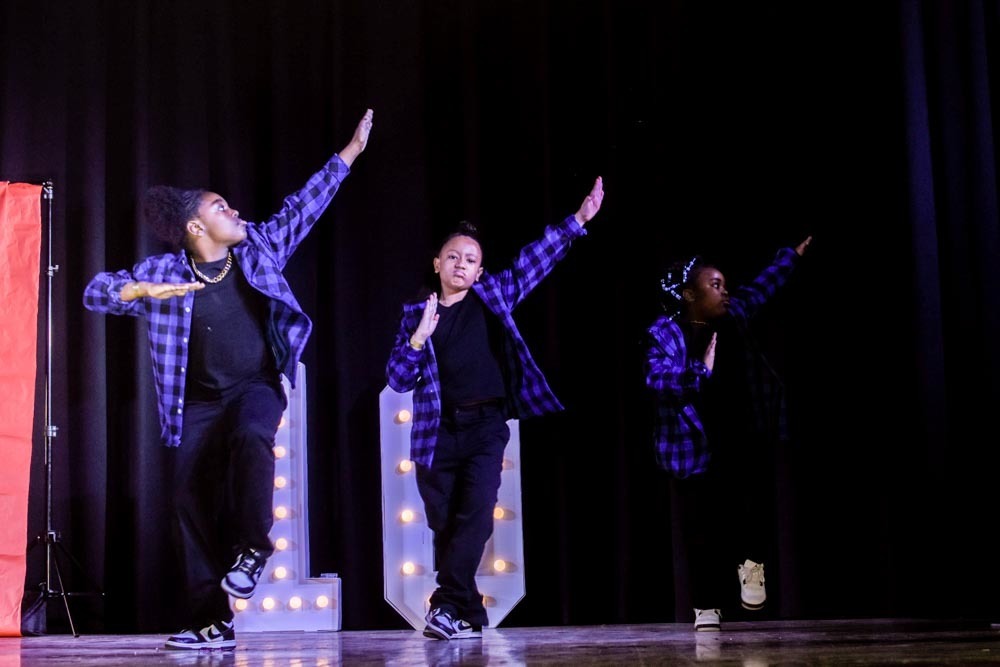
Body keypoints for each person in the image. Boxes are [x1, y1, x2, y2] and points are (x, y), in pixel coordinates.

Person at [83, 108, 374, 650]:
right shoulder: (164, 274)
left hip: (257, 385)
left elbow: (303, 208)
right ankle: (211, 620)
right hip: (199, 402)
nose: (233, 209)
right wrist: (141, 293)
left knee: (251, 436)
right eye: (221, 207)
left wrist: (351, 152)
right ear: (196, 228)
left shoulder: (256, 249)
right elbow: (94, 291)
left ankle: (254, 548)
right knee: (186, 499)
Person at [386, 176, 604, 640]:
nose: (461, 265)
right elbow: (398, 380)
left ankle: (444, 606)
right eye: (453, 257)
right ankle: (469, 615)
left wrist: (578, 221)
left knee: (478, 513)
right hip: (435, 433)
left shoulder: (493, 297)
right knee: (445, 525)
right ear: (437, 263)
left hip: (486, 425)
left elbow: (532, 262)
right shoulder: (414, 314)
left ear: (480, 271)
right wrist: (418, 337)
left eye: (470, 260)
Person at [644, 235, 812, 632]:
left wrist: (790, 257)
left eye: (724, 284)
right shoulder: (665, 332)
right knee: (700, 528)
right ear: (689, 294)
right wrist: (699, 369)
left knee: (748, 506)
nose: (724, 291)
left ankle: (752, 566)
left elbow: (761, 289)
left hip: (737, 431)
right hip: (689, 445)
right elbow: (656, 378)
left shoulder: (733, 316)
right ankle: (706, 606)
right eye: (714, 285)